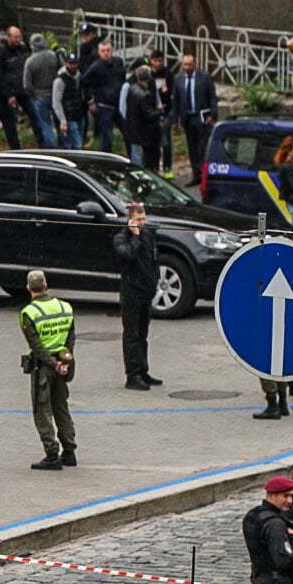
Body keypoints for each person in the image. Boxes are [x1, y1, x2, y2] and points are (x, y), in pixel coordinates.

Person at [19, 270, 76, 471]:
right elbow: (70, 338)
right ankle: (69, 451)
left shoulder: (29, 313)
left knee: (42, 411)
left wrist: (52, 364)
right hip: (63, 363)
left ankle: (52, 454)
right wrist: (64, 362)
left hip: (44, 368)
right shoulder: (65, 307)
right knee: (61, 407)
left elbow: (36, 346)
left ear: (28, 288)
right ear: (46, 285)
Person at [113, 203, 159, 391]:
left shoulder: (148, 235)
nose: (142, 223)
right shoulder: (121, 238)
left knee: (143, 334)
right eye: (138, 220)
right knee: (131, 335)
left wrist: (155, 282)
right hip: (131, 293)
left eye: (143, 219)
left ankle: (143, 370)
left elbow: (152, 261)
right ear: (130, 220)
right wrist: (135, 237)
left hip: (146, 292)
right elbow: (129, 256)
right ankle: (132, 375)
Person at [242, 476, 293, 584]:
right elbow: (283, 560)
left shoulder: (253, 515)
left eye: (291, 496)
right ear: (271, 495)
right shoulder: (275, 523)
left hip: (260, 578)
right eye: (285, 496)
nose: (290, 501)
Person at [172, 53, 216, 180]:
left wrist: (213, 114)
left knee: (203, 145)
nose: (187, 67)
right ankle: (196, 174)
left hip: (201, 116)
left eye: (189, 65)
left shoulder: (204, 77)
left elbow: (212, 96)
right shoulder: (178, 78)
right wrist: (175, 120)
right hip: (187, 117)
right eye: (185, 65)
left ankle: (204, 172)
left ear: (195, 64)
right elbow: (176, 101)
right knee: (192, 147)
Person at [81, 40, 126, 154]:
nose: (106, 53)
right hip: (104, 105)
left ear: (112, 50)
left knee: (128, 132)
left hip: (119, 103)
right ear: (99, 52)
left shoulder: (118, 62)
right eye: (103, 51)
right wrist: (90, 101)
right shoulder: (96, 66)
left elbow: (123, 79)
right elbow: (84, 82)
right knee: (106, 138)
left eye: (108, 50)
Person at [23, 33, 60, 148]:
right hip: (54, 93)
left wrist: (33, 94)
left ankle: (51, 147)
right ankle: (64, 144)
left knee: (45, 124)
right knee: (59, 120)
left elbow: (27, 84)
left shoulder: (30, 61)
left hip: (39, 95)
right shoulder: (53, 56)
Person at [123, 65, 162, 169]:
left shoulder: (132, 89)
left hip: (133, 129)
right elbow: (149, 114)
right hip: (144, 132)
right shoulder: (145, 95)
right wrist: (160, 111)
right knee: (145, 159)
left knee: (136, 156)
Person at [52, 51, 87, 150]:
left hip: (79, 115)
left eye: (75, 63)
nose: (73, 66)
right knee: (76, 145)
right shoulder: (60, 80)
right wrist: (63, 121)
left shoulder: (79, 76)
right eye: (71, 63)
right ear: (66, 63)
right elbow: (56, 102)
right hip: (68, 117)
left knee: (78, 143)